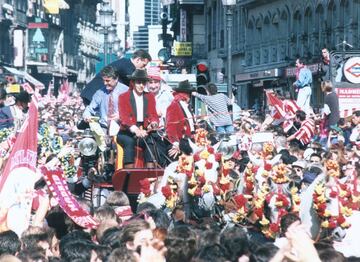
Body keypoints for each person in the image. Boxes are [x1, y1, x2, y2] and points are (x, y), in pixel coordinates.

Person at [116, 69, 160, 169]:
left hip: (144, 130)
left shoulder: (150, 97)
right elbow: (124, 117)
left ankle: (150, 174)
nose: (141, 85)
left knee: (151, 141)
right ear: (133, 83)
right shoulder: (123, 97)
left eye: (143, 83)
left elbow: (153, 114)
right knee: (129, 142)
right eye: (139, 82)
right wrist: (135, 130)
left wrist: (154, 122)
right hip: (126, 132)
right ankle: (129, 175)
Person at [81, 49, 152, 105]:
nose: (143, 68)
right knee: (95, 118)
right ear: (138, 60)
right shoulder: (127, 65)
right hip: (94, 94)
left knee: (93, 119)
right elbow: (133, 82)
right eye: (143, 65)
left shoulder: (126, 64)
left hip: (94, 94)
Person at [165, 80, 196, 158]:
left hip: (191, 141)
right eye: (189, 94)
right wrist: (176, 144)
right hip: (182, 142)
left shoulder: (188, 106)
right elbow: (170, 127)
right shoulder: (174, 106)